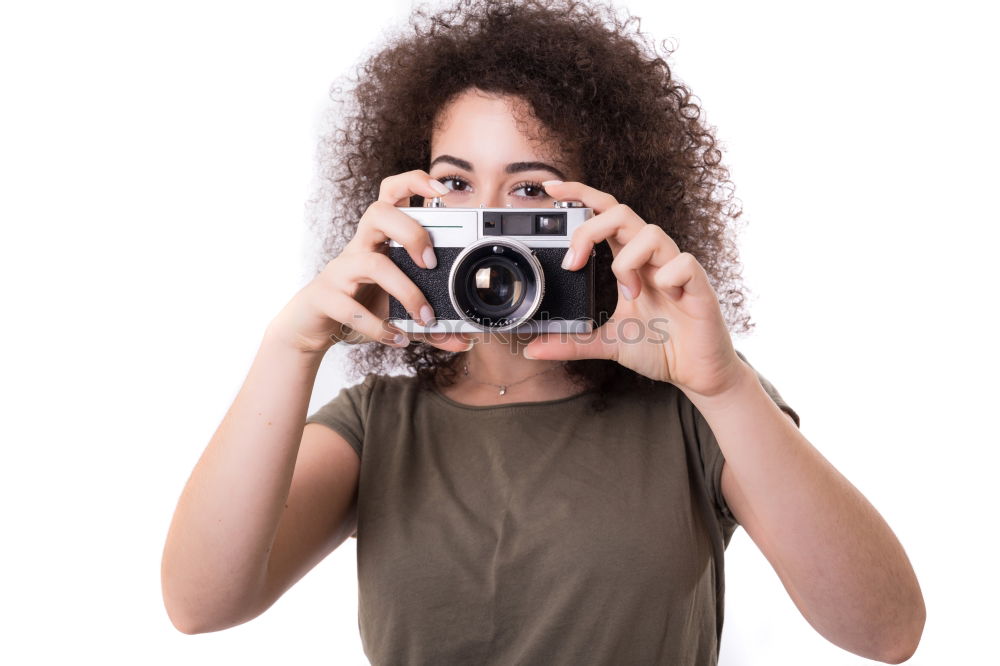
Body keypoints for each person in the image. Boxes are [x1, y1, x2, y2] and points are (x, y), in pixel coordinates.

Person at [161, 1, 925, 663]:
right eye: (454, 185)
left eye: (529, 190)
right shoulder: (379, 424)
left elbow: (885, 633)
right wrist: (288, 347)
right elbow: (200, 606)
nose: (486, 227)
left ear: (600, 212)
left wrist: (723, 389)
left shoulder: (692, 402)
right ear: (408, 203)